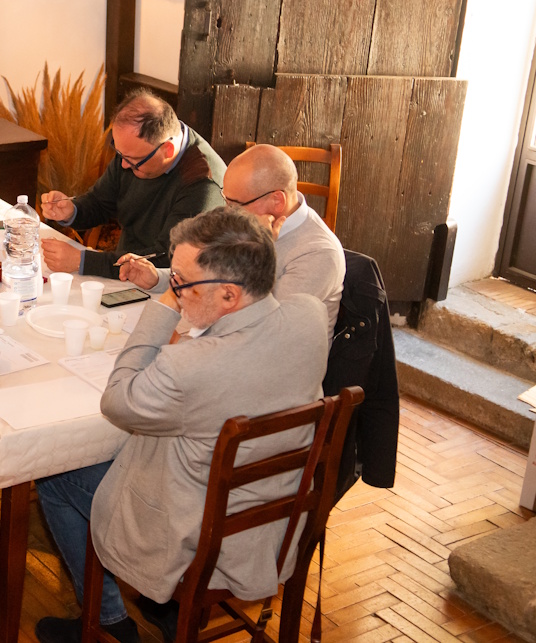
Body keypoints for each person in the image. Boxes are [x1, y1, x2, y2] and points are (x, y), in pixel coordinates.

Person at [34, 208, 330, 643]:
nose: (175, 289)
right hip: (277, 524)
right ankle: (161, 608)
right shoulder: (310, 316)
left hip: (197, 533)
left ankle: (108, 619)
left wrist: (163, 309)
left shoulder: (189, 367)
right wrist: (182, 291)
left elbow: (117, 401)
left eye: (181, 282)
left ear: (229, 294)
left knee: (54, 476)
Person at [118, 143, 345, 333]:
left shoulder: (317, 253)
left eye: (235, 204)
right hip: (227, 343)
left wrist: (260, 251)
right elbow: (209, 275)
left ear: (277, 201)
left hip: (268, 365)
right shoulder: (249, 222)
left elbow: (269, 329)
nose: (228, 212)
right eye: (226, 200)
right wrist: (157, 278)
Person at [39, 89, 226, 279]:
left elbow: (167, 259)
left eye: (132, 160)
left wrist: (83, 261)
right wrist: (72, 210)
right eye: (120, 154)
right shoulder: (133, 152)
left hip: (170, 284)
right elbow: (100, 202)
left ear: (167, 150)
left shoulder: (203, 183)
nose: (123, 165)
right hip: (123, 273)